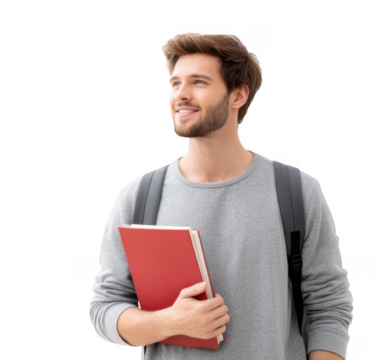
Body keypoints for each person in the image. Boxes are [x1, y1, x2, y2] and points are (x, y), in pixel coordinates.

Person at [89, 33, 353, 360]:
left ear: (238, 95)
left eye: (198, 82)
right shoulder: (139, 197)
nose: (180, 95)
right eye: (175, 84)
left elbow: (328, 304)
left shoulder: (296, 190)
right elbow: (105, 308)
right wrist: (167, 322)